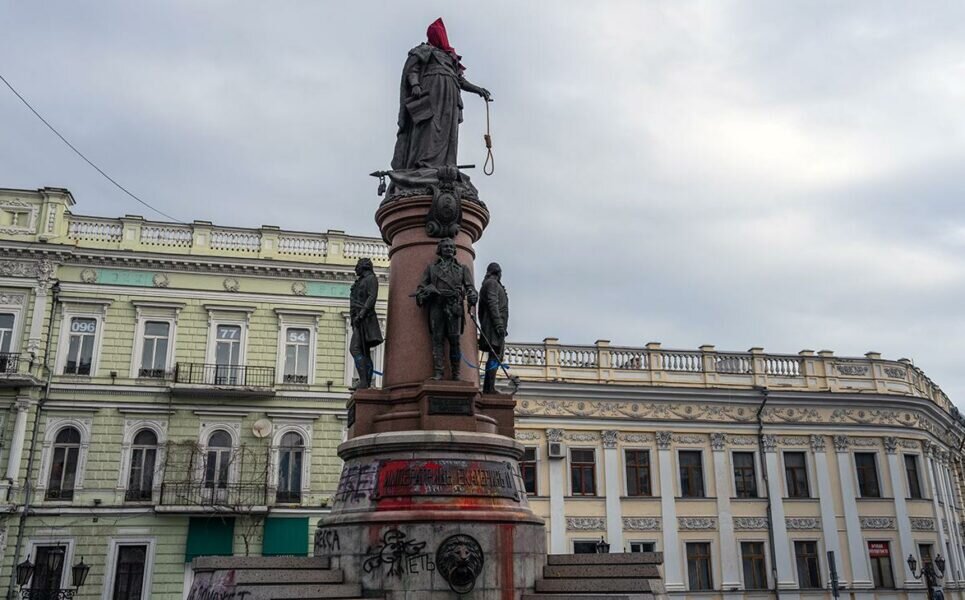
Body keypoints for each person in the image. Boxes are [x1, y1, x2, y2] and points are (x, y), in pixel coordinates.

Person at [391, 18, 491, 173]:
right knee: (430, 125)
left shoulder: (450, 57)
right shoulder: (424, 50)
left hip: (450, 96)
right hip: (431, 92)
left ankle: (446, 163)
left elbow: (460, 80)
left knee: (447, 128)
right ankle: (423, 163)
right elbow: (412, 70)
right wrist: (415, 84)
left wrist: (478, 90)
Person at [415, 238, 478, 380]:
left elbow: (471, 288)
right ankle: (439, 372)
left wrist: (473, 295)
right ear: (440, 250)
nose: (449, 249)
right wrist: (426, 292)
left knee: (455, 340)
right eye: (445, 247)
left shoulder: (462, 269)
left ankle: (456, 373)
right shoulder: (432, 269)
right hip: (437, 306)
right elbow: (420, 289)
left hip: (454, 307)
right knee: (437, 339)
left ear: (454, 250)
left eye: (451, 247)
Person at [349, 258, 383, 389]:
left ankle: (364, 381)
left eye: (357, 266)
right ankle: (365, 382)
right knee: (364, 351)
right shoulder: (361, 281)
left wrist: (362, 313)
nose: (355, 268)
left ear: (364, 266)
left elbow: (372, 297)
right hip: (358, 318)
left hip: (365, 318)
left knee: (355, 348)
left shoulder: (371, 279)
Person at [477, 262, 508, 393]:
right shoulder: (492, 283)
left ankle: (489, 388)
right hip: (493, 326)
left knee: (496, 356)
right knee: (494, 355)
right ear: (498, 272)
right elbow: (492, 303)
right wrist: (498, 324)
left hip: (493, 325)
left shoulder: (490, 283)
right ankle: (489, 389)